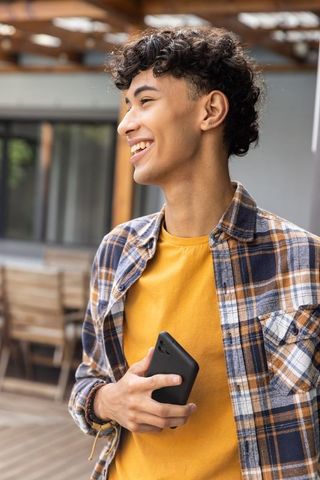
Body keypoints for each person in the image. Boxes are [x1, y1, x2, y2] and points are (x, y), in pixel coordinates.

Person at [69, 27, 320, 480]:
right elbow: (88, 381)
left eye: (145, 101)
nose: (126, 123)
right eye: (128, 105)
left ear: (210, 110)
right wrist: (109, 401)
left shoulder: (304, 262)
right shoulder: (116, 252)